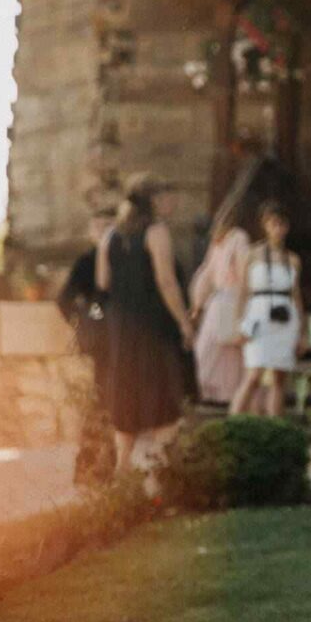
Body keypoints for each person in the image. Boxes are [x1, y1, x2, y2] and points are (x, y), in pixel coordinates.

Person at [95, 173, 195, 474]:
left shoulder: (110, 236)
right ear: (152, 200)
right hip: (153, 328)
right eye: (163, 195)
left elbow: (103, 282)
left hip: (122, 330)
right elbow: (166, 282)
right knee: (162, 402)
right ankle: (157, 481)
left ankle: (122, 481)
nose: (168, 201)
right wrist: (184, 322)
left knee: (126, 403)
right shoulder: (156, 231)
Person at [229, 201, 305, 417]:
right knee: (254, 374)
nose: (277, 229)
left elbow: (296, 295)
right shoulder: (252, 255)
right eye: (273, 224)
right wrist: (238, 323)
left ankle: (275, 423)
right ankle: (233, 422)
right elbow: (242, 291)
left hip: (284, 316)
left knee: (279, 377)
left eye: (281, 224)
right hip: (259, 315)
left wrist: (302, 332)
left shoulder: (292, 259)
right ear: (265, 226)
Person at [188, 221, 251, 404]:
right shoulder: (225, 241)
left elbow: (239, 272)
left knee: (225, 349)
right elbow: (209, 273)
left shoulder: (231, 240)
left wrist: (198, 303)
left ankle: (225, 393)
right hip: (225, 299)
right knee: (216, 348)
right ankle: (217, 392)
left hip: (227, 298)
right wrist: (197, 304)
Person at [57, 215, 113, 398]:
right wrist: (80, 322)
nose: (103, 232)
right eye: (98, 227)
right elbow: (65, 299)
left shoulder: (127, 259)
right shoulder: (86, 262)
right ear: (91, 233)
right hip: (98, 331)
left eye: (108, 226)